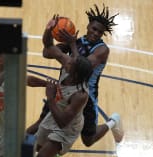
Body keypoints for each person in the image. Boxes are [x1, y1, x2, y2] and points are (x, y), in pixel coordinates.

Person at [26, 4, 124, 148]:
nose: (96, 33)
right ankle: (18, 151)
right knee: (39, 125)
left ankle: (113, 122)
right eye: (94, 29)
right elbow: (47, 52)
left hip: (85, 97)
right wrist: (49, 30)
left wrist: (72, 45)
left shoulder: (102, 50)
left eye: (100, 32)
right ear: (88, 26)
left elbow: (82, 68)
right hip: (63, 90)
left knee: (88, 141)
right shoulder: (76, 41)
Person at [35, 15, 94, 157]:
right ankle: (52, 151)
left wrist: (51, 97)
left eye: (71, 63)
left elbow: (62, 122)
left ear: (74, 73)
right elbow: (48, 47)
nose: (67, 61)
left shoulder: (80, 95)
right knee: (39, 148)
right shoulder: (73, 65)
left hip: (68, 126)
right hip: (56, 112)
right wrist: (48, 29)